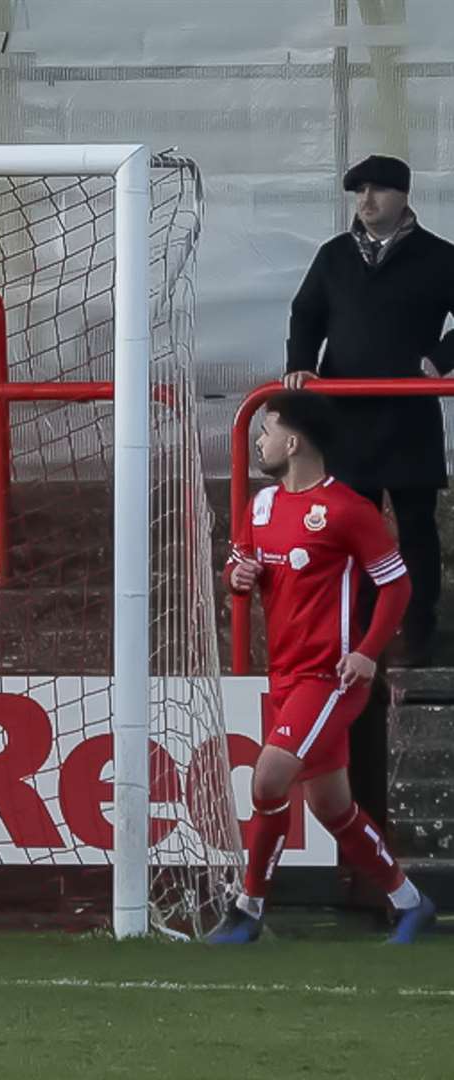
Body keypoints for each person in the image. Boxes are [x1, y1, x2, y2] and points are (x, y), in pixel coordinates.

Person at [212, 390, 435, 944]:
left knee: (268, 778)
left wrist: (366, 652)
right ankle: (411, 902)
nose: (259, 441)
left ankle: (249, 909)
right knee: (330, 805)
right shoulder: (260, 506)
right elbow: (242, 569)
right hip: (284, 675)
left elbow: (396, 584)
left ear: (293, 441)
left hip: (330, 677)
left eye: (267, 431)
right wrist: (237, 580)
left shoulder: (348, 510)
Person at [285, 153, 454, 668]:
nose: (367, 201)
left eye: (378, 191)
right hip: (347, 420)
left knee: (417, 527)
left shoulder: (439, 257)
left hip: (409, 417)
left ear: (404, 195)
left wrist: (440, 360)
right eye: (359, 192)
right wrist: (300, 365)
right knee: (349, 529)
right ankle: (354, 637)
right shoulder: (334, 256)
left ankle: (420, 632)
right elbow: (306, 312)